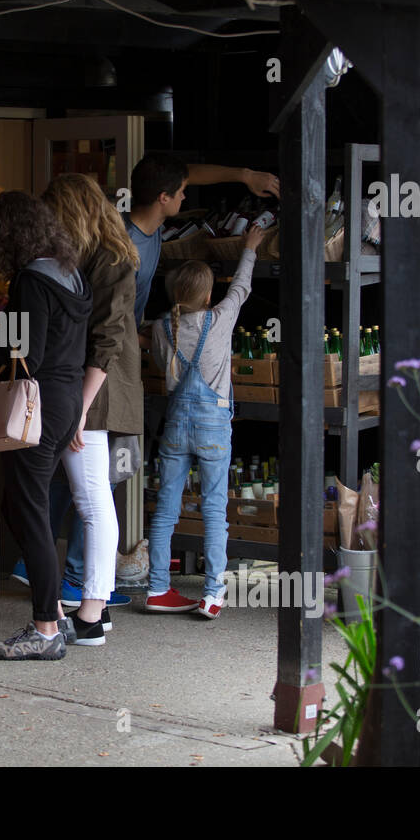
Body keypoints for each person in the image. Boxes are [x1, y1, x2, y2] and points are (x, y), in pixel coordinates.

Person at [0, 192, 91, 660]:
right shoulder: (69, 271)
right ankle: (52, 610)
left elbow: (27, 356)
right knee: (19, 506)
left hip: (36, 404)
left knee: (29, 512)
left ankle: (46, 630)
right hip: (66, 400)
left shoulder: (33, 280)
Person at [34, 173, 142, 645]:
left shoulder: (110, 260)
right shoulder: (105, 255)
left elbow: (107, 340)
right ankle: (94, 608)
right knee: (92, 497)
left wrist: (79, 408)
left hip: (93, 391)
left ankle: (92, 614)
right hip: (91, 389)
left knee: (91, 498)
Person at [145, 224, 266, 617]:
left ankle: (158, 588)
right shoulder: (221, 318)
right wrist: (249, 247)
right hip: (213, 425)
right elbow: (242, 288)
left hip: (176, 425)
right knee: (214, 509)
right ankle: (212, 593)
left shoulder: (162, 328)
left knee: (165, 509)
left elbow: (160, 367)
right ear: (208, 295)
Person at [127, 153, 279, 331]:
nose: (184, 197)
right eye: (181, 191)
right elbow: (109, 322)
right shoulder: (125, 248)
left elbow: (189, 173)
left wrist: (247, 176)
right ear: (164, 198)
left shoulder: (149, 226)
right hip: (118, 346)